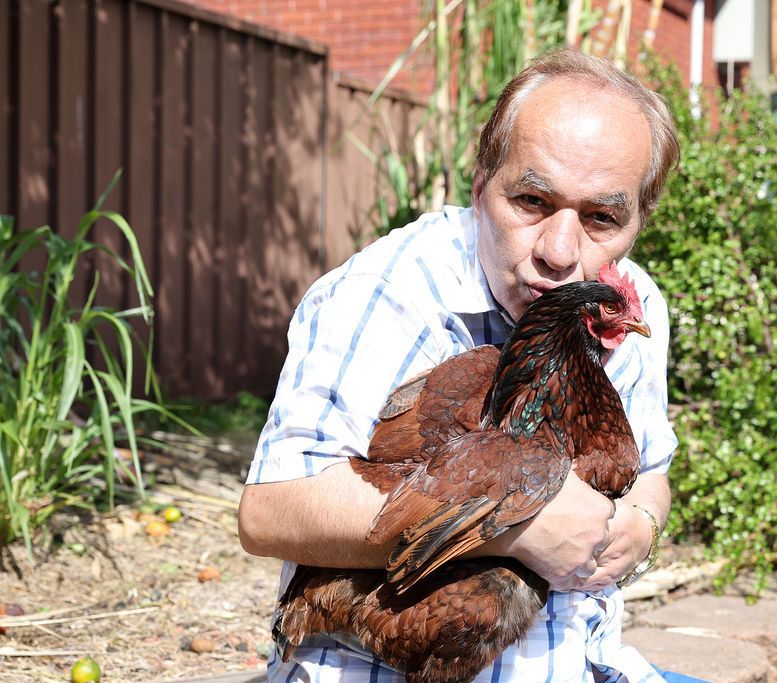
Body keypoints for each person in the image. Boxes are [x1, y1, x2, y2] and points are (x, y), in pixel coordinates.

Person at [238, 48, 703, 683]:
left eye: (602, 217)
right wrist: (511, 528)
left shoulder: (626, 301)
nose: (561, 253)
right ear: (481, 185)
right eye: (533, 201)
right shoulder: (385, 294)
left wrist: (641, 526)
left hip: (586, 663)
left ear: (638, 221)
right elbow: (270, 510)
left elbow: (650, 470)